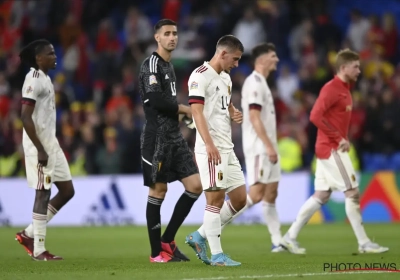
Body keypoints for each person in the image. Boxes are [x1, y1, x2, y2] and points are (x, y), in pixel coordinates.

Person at [280, 49, 389, 254]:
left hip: (327, 147)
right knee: (352, 192)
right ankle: (364, 243)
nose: (359, 70)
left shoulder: (346, 90)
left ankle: (289, 237)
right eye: (355, 66)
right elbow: (314, 115)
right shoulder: (332, 89)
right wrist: (338, 138)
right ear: (343, 67)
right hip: (332, 148)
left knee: (321, 195)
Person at [138, 19, 202, 263]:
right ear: (157, 37)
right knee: (159, 190)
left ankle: (168, 240)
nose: (172, 37)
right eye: (167, 33)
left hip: (175, 137)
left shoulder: (169, 66)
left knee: (195, 185)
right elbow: (155, 101)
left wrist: (183, 117)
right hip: (157, 139)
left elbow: (169, 104)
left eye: (175, 33)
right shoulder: (151, 64)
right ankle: (156, 254)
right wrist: (187, 110)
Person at [185, 35, 247, 267]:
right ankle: (218, 255)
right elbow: (197, 112)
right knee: (216, 199)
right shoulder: (199, 76)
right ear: (222, 53)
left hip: (227, 148)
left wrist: (232, 111)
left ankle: (199, 236)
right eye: (235, 59)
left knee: (240, 199)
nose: (237, 64)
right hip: (210, 148)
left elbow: (224, 101)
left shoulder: (226, 78)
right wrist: (209, 144)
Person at [16, 39, 75, 261]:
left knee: (68, 191)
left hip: (52, 145)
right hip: (39, 147)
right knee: (43, 193)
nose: (55, 56)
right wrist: (40, 149)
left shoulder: (46, 78)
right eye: (50, 54)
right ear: (39, 58)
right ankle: (38, 249)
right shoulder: (32, 79)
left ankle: (29, 233)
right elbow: (24, 117)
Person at [239, 43, 285, 252]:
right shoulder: (255, 83)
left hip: (268, 146)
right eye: (273, 56)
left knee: (271, 194)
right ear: (262, 59)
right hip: (259, 147)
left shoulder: (264, 83)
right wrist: (268, 146)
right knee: (256, 195)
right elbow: (254, 117)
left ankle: (278, 241)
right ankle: (209, 228)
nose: (276, 59)